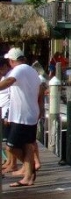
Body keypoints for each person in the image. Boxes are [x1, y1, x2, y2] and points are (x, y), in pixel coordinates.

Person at [0, 48, 45, 187]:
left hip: (22, 116)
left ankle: (29, 169)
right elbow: (41, 91)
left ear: (12, 60)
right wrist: (41, 109)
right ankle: (28, 177)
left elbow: (8, 81)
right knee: (28, 145)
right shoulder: (32, 70)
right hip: (31, 113)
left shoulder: (18, 70)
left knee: (11, 147)